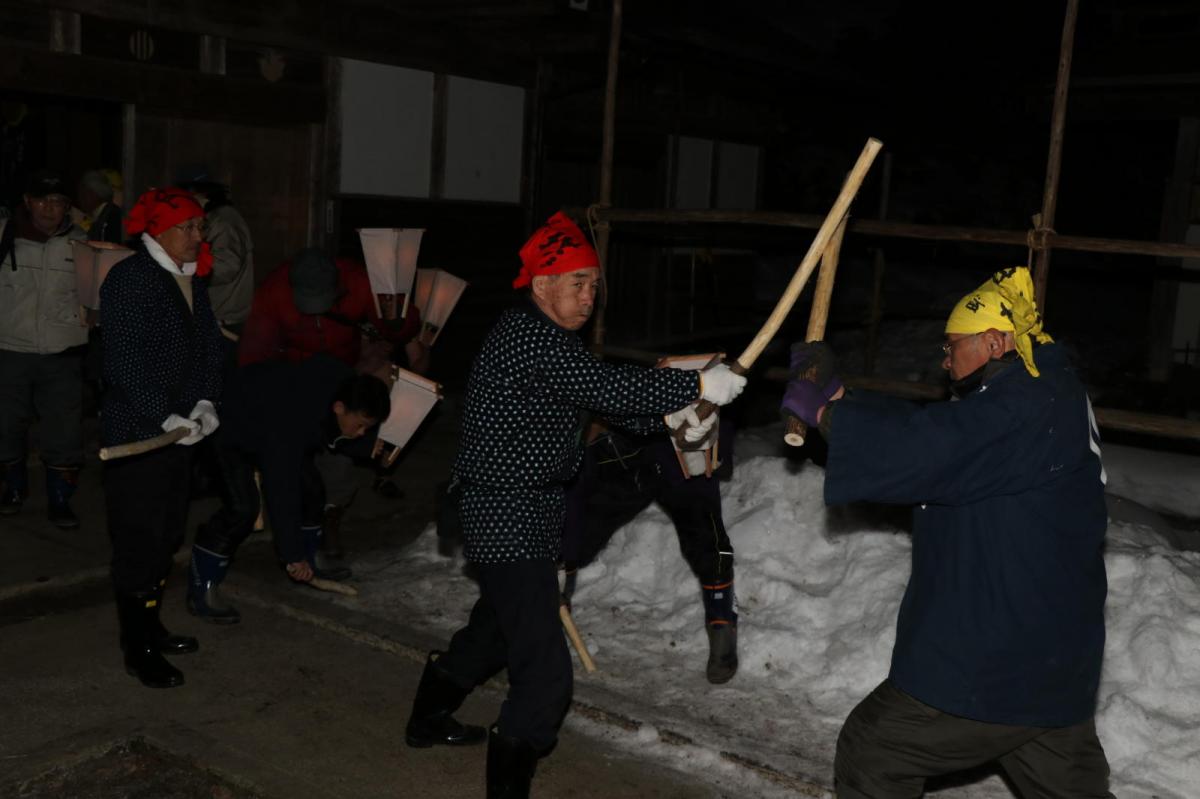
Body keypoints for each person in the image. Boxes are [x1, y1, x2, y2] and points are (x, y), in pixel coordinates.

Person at [403, 211, 747, 799]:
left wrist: (677, 419)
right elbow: (605, 387)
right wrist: (694, 386)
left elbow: (610, 403)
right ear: (541, 286)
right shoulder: (525, 335)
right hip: (503, 509)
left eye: (594, 284)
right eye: (577, 283)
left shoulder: (557, 344)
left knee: (496, 631)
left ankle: (426, 717)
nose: (590, 295)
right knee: (544, 675)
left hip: (532, 511)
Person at [780, 266, 1112, 798]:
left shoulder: (1026, 407)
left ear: (996, 340)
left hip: (997, 658)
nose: (945, 358)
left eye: (953, 345)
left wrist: (825, 415)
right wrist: (841, 399)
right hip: (1048, 656)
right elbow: (946, 435)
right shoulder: (1043, 390)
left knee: (875, 751)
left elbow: (933, 448)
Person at [100, 187, 225, 689]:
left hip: (181, 433)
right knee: (140, 540)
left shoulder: (191, 280)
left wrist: (204, 402)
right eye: (190, 227)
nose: (200, 236)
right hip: (138, 436)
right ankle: (138, 646)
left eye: (200, 226)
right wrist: (165, 416)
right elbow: (124, 363)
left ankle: (151, 623)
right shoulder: (130, 279)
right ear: (160, 231)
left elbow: (210, 349)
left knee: (168, 532)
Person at [238, 247, 430, 556]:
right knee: (291, 454)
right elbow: (253, 351)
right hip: (293, 380)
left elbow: (398, 329)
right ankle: (298, 522)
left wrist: (396, 318)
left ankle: (330, 515)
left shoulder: (359, 282)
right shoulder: (274, 291)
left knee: (342, 442)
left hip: (344, 372)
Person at [186, 355, 389, 624]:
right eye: (361, 425)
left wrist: (369, 447)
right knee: (243, 508)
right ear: (339, 407)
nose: (364, 432)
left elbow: (333, 433)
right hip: (230, 428)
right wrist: (290, 555)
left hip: (271, 424)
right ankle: (203, 587)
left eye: (369, 427)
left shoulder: (343, 385)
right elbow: (281, 490)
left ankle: (310, 561)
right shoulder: (292, 420)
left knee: (313, 491)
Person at [561, 416, 739, 684]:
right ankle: (548, 603)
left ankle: (722, 624)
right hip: (616, 451)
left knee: (707, 537)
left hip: (677, 446)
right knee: (575, 535)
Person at [0, 169, 88, 528]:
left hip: (62, 353)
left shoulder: (81, 242)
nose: (50, 209)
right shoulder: (5, 235)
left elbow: (97, 295)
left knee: (64, 430)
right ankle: (13, 489)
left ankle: (60, 499)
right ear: (27, 201)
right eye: (42, 200)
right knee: (5, 425)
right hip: (10, 349)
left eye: (58, 201)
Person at [175, 167, 254, 345]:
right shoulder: (210, 219)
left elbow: (227, 266)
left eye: (189, 193)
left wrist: (187, 270)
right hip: (213, 319)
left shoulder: (224, 222)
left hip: (224, 323)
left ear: (205, 194)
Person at [75, 169, 124, 244]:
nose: (81, 199)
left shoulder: (111, 217)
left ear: (94, 193)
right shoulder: (103, 215)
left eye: (84, 193)